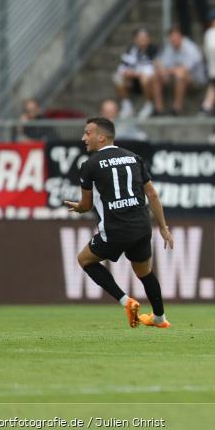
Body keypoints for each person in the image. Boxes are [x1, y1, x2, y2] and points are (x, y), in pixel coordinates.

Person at [65, 117, 173, 328]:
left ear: (101, 137)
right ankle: (160, 318)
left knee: (85, 260)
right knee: (145, 272)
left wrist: (79, 207)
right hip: (141, 226)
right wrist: (163, 227)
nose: (83, 137)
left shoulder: (89, 165)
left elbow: (86, 206)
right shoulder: (134, 158)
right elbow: (152, 194)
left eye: (87, 133)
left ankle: (126, 301)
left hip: (115, 228)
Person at [154, 27, 206, 115]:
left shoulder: (191, 48)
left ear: (181, 36)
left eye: (176, 37)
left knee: (180, 74)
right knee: (156, 74)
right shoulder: (169, 47)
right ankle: (158, 109)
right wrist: (162, 69)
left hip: (196, 81)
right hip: (175, 77)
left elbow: (184, 69)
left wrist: (166, 71)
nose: (173, 40)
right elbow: (159, 62)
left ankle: (177, 108)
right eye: (171, 38)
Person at [114, 27, 158, 120]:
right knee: (117, 77)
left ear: (149, 39)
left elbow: (152, 69)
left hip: (147, 81)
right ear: (135, 39)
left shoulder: (154, 50)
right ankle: (127, 105)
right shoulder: (130, 50)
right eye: (140, 38)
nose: (142, 41)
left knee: (145, 79)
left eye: (145, 38)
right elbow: (121, 67)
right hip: (132, 80)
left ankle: (149, 104)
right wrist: (127, 72)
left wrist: (136, 73)